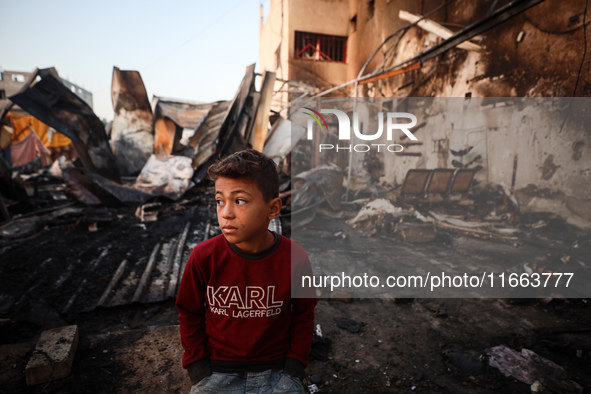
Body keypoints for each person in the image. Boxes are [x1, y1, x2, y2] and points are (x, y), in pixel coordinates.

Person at [176, 149, 317, 393]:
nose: (226, 213)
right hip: (217, 372)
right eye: (220, 201)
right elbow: (189, 312)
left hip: (277, 371)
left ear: (273, 209)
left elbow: (304, 315)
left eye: (239, 201)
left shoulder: (295, 258)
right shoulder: (204, 257)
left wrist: (295, 367)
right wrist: (198, 368)